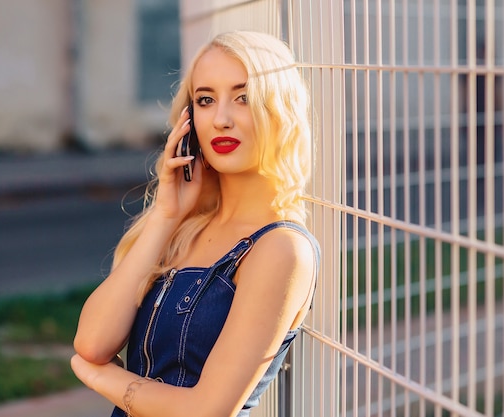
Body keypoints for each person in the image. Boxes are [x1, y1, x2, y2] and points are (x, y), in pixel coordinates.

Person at [70, 30, 321, 417]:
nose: (221, 119)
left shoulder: (281, 249)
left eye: (244, 97)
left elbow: (206, 410)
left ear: (279, 109)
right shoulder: (184, 228)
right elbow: (91, 343)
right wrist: (166, 215)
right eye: (206, 100)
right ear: (189, 121)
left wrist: (103, 379)